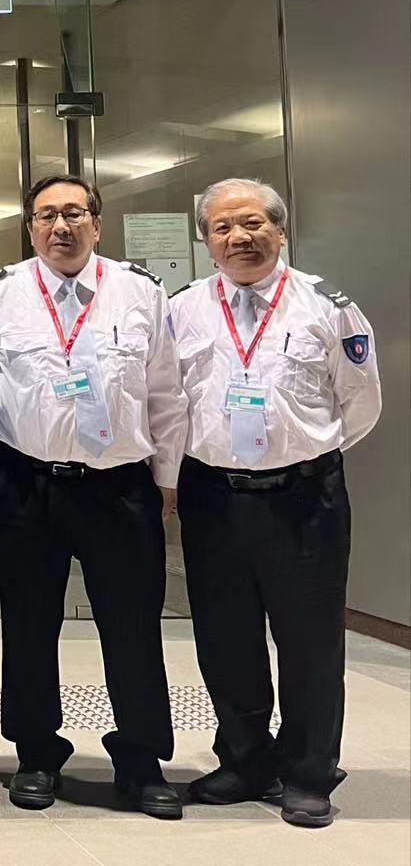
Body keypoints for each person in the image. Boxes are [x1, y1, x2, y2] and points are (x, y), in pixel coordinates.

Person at [0, 174, 187, 819]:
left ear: (97, 223)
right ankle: (36, 753)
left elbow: (165, 392)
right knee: (29, 623)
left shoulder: (140, 292)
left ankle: (141, 758)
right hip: (26, 482)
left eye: (74, 213)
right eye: (46, 216)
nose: (61, 226)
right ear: (30, 228)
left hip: (120, 485)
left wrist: (167, 478)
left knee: (133, 625)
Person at [171, 178, 380, 828]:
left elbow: (360, 403)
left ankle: (308, 772)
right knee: (224, 637)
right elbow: (166, 401)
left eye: (253, 223)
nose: (239, 237)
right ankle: (245, 761)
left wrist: (300, 455)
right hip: (212, 497)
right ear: (206, 241)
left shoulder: (327, 307)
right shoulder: (181, 310)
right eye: (223, 227)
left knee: (309, 641)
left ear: (280, 231)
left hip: (303, 499)